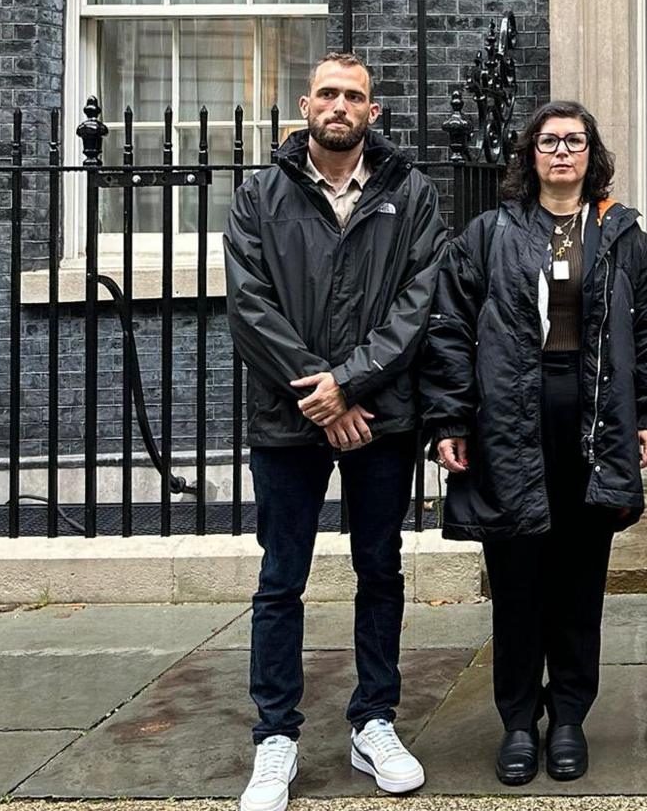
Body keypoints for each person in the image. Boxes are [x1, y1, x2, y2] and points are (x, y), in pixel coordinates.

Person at [419, 101, 647, 785]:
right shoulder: (489, 233)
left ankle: (568, 720)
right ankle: (517, 722)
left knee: (579, 581)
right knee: (519, 581)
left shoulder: (620, 235)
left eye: (575, 141)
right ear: (530, 155)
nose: (562, 152)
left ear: (593, 155)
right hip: (506, 425)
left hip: (592, 426)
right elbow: (447, 329)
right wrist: (449, 421)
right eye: (550, 141)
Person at [225, 52, 446, 811]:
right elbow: (250, 305)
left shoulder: (410, 193)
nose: (340, 105)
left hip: (379, 419)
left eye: (354, 95)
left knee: (379, 571)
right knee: (281, 578)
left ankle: (373, 720)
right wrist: (323, 394)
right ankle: (275, 735)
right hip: (289, 420)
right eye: (328, 93)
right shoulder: (261, 194)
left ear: (372, 112)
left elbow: (418, 304)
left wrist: (350, 385)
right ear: (304, 104)